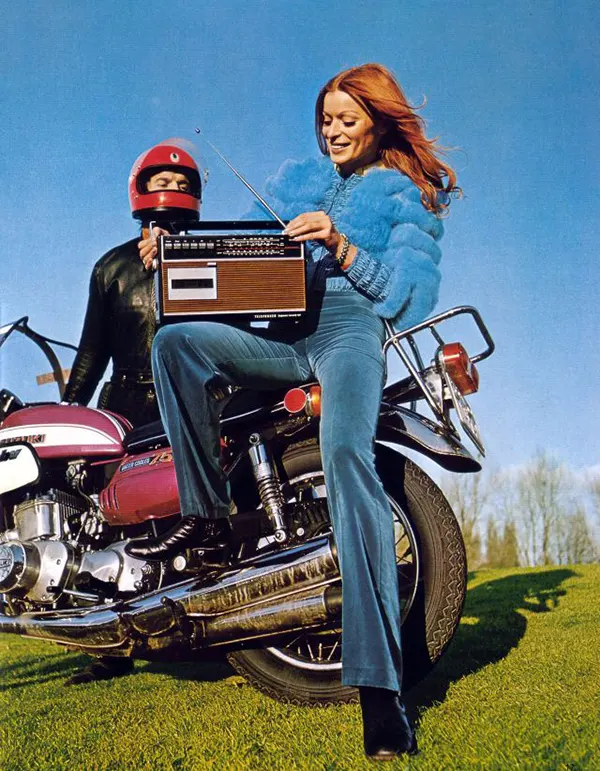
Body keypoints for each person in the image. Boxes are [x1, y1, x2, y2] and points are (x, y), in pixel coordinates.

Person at [129, 63, 459, 758]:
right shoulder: (291, 180)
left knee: (347, 458)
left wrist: (339, 244)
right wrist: (169, 253)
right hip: (277, 326)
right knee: (177, 342)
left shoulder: (408, 196)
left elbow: (407, 297)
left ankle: (379, 693)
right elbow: (227, 257)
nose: (334, 132)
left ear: (377, 119)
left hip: (349, 329)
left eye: (348, 119)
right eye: (326, 120)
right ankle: (207, 519)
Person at [62, 140, 203, 685]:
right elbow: (91, 350)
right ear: (140, 190)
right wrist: (70, 411)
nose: (172, 192)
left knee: (184, 511)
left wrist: (179, 261)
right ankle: (111, 647)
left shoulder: (210, 254)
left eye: (184, 184)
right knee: (107, 521)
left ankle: (196, 622)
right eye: (162, 182)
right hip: (122, 404)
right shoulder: (111, 267)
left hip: (188, 395)